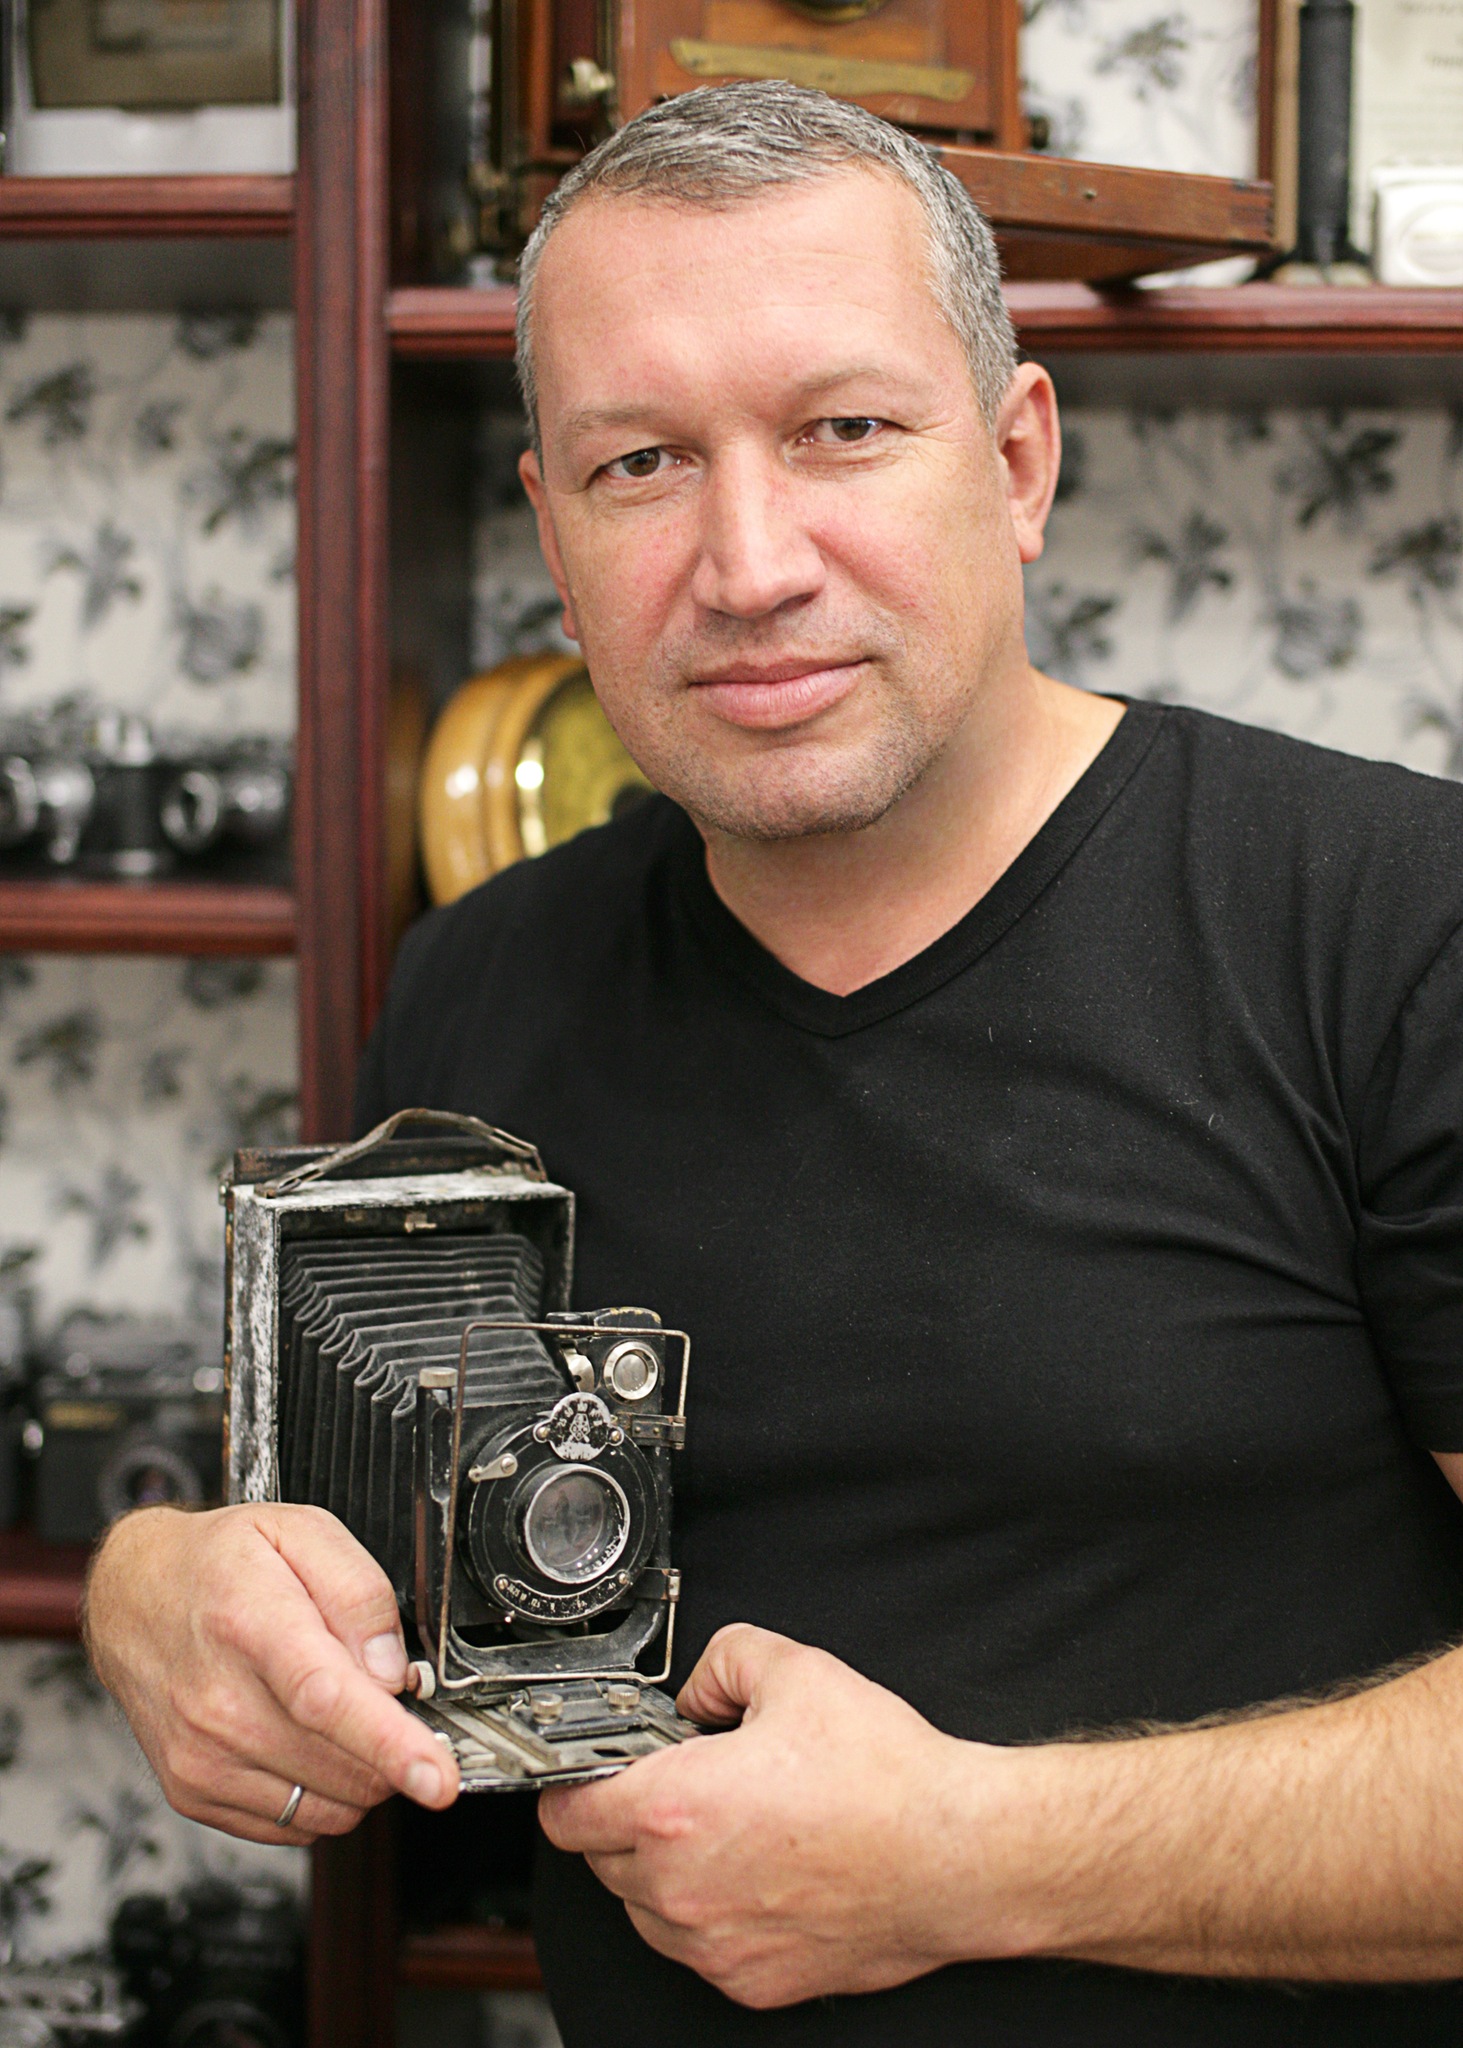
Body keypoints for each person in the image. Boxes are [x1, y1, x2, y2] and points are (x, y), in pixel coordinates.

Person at [84, 80, 1463, 2047]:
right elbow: (311, 1562)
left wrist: (976, 1855)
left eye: (844, 431)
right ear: (555, 535)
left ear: (1016, 461)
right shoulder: (483, 977)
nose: (749, 564)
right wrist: (151, 1585)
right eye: (643, 462)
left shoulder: (1400, 922)